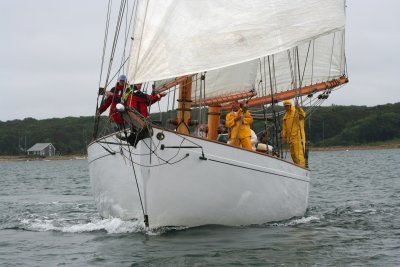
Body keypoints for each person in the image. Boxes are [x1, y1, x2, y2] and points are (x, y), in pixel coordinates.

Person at [281, 99, 306, 167]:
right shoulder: (285, 116)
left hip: (298, 138)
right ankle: (297, 166)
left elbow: (303, 115)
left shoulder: (296, 112)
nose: (286, 107)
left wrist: (298, 107)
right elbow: (284, 128)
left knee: (298, 154)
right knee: (292, 154)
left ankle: (302, 167)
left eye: (288, 106)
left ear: (290, 105)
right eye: (285, 106)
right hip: (290, 139)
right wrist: (284, 137)